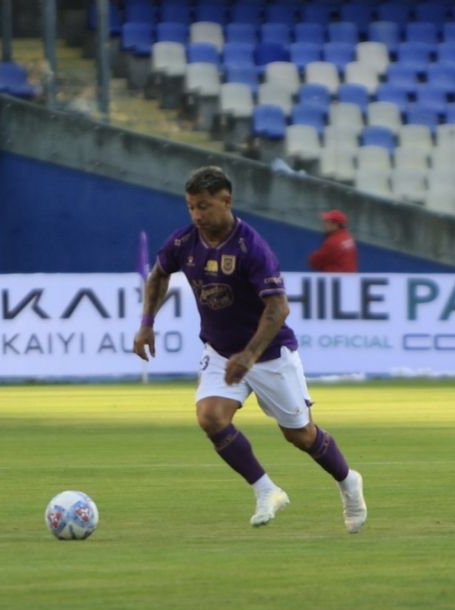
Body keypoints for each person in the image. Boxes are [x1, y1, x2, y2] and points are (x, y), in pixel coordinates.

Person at [133, 166, 367, 533]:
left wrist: (250, 356)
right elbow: (159, 274)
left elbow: (278, 308)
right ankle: (266, 489)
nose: (196, 215)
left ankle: (348, 481)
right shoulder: (185, 242)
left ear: (226, 201)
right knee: (210, 417)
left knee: (300, 435)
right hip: (222, 351)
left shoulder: (251, 247)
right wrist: (147, 323)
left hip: (269, 354)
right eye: (191, 207)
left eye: (204, 206)